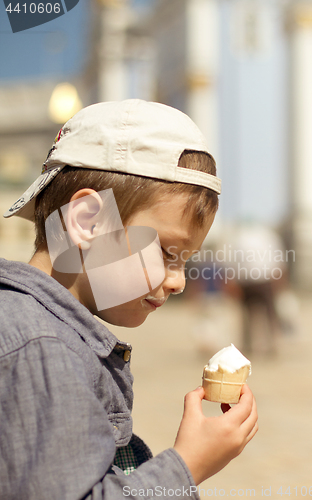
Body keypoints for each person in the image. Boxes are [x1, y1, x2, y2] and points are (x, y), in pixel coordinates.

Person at [0, 100, 258, 500]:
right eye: (169, 253)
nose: (179, 282)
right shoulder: (43, 348)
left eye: (186, 261)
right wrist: (187, 464)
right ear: (88, 221)